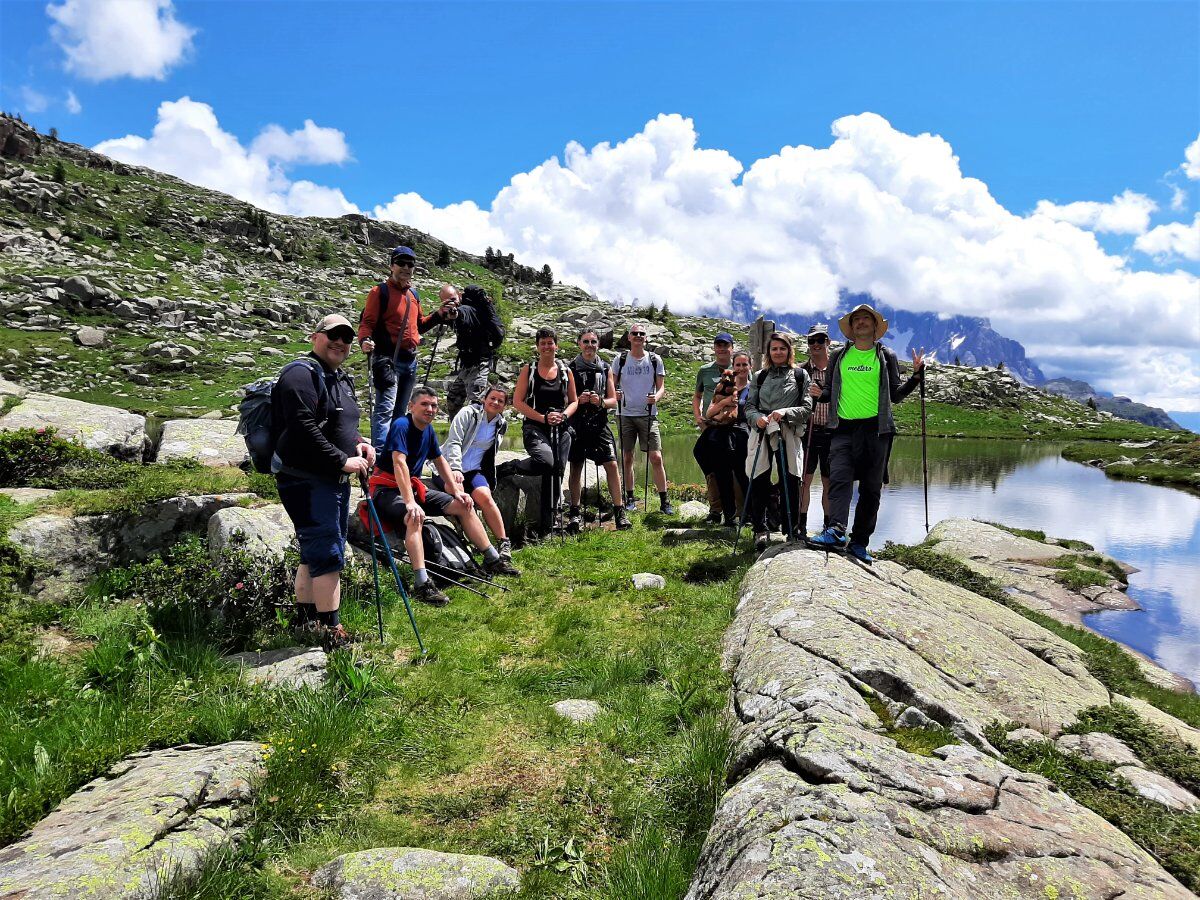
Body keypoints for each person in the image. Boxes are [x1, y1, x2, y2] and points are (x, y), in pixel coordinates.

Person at [274, 313, 375, 647]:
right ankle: (332, 632)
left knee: (312, 553)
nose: (341, 343)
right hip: (307, 479)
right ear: (314, 336)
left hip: (330, 479)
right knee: (330, 552)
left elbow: (341, 425)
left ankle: (304, 624)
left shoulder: (340, 379)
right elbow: (303, 427)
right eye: (333, 335)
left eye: (347, 338)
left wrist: (359, 443)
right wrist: (342, 460)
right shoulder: (299, 374)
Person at [370, 387, 518, 607]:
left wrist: (457, 491)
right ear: (411, 406)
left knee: (463, 505)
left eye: (434, 405)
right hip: (387, 491)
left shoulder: (428, 430)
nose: (430, 409)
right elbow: (399, 463)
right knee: (414, 518)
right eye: (424, 404)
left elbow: (440, 461)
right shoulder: (402, 425)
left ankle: (492, 558)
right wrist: (410, 503)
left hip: (413, 487)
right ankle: (422, 582)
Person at [808, 304, 924, 564]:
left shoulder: (886, 355)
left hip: (877, 429)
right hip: (842, 428)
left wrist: (916, 377)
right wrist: (819, 394)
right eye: (856, 320)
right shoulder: (839, 355)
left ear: (875, 327)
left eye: (866, 319)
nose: (861, 322)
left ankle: (859, 542)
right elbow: (829, 392)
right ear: (851, 328)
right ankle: (836, 530)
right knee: (839, 478)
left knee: (871, 489)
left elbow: (895, 394)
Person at [357, 246, 457, 450]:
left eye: (410, 264)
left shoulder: (414, 295)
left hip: (410, 361)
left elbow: (419, 325)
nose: (406, 267)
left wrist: (439, 314)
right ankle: (380, 459)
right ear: (391, 265)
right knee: (385, 409)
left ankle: (394, 453)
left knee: (401, 411)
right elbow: (367, 322)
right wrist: (364, 340)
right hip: (387, 360)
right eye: (401, 263)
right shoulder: (379, 292)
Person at [434, 384, 521, 571]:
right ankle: (485, 550)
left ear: (505, 405)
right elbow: (454, 442)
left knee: (486, 498)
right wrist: (455, 469)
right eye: (492, 398)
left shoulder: (501, 423)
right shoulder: (468, 413)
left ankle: (503, 543)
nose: (496, 402)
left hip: (474, 470)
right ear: (484, 399)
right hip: (449, 469)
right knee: (464, 500)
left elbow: (490, 453)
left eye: (501, 401)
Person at [746, 333, 812, 551]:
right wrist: (758, 419)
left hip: (788, 430)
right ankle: (760, 529)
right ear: (769, 352)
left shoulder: (801, 376)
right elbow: (749, 407)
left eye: (782, 348)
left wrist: (784, 412)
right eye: (774, 349)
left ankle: (791, 529)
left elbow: (806, 408)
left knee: (790, 479)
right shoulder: (759, 376)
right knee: (759, 478)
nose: (778, 352)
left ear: (789, 351)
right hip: (763, 430)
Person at [511, 327, 578, 539]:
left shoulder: (566, 372)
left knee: (557, 471)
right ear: (538, 346)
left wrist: (564, 416)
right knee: (547, 462)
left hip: (561, 428)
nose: (547, 346)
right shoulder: (528, 370)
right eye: (543, 343)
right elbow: (517, 402)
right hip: (535, 426)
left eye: (550, 342)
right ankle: (512, 467)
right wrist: (542, 418)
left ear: (556, 345)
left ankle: (547, 526)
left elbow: (574, 401)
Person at [566, 328, 632, 532]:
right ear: (579, 344)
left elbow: (613, 401)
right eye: (585, 341)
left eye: (593, 342)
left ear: (598, 345)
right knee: (576, 467)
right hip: (577, 425)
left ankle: (619, 512)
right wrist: (579, 400)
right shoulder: (570, 368)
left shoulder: (605, 368)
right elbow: (566, 400)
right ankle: (575, 514)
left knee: (612, 465)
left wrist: (600, 401)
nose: (589, 346)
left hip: (599, 423)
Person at [613, 323, 672, 515]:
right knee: (627, 457)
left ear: (646, 338)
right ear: (628, 337)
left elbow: (661, 387)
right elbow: (611, 385)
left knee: (656, 457)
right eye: (634, 333)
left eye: (641, 334)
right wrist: (616, 394)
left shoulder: (655, 359)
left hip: (649, 414)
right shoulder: (620, 359)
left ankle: (665, 501)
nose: (638, 336)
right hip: (624, 414)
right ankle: (629, 497)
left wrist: (657, 397)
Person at [701, 350, 752, 527]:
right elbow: (709, 413)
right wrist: (725, 402)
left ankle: (747, 514)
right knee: (723, 475)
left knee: (743, 476)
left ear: (750, 367)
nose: (741, 368)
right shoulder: (723, 387)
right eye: (738, 364)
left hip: (743, 436)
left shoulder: (753, 389)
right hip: (722, 437)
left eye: (744, 364)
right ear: (733, 367)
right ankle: (728, 516)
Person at [692, 331, 735, 523]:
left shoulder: (739, 367)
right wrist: (699, 418)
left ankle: (731, 511)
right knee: (701, 453)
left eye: (725, 345)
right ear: (714, 348)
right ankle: (716, 508)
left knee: (728, 466)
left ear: (731, 348)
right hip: (710, 425)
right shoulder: (705, 370)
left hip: (731, 425)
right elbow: (697, 396)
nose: (722, 348)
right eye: (718, 345)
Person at [445, 284, 505, 419]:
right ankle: (459, 434)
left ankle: (481, 434)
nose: (450, 303)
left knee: (475, 404)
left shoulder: (468, 309)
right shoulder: (477, 310)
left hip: (479, 364)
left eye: (452, 299)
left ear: (459, 295)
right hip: (467, 365)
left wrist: (455, 313)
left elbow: (462, 314)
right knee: (453, 400)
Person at [799, 323, 833, 536]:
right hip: (808, 431)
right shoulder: (802, 371)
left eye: (820, 340)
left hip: (832, 431)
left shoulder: (836, 370)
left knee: (829, 482)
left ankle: (828, 526)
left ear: (828, 342)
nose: (816, 344)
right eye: (812, 340)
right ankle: (800, 525)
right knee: (805, 480)